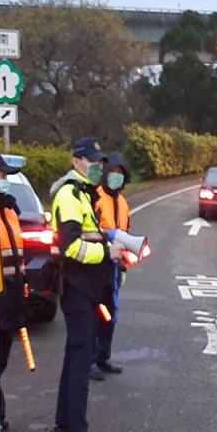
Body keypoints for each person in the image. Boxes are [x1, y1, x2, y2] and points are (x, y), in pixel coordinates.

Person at [49, 137, 122, 432]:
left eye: (100, 162)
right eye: (92, 161)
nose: (98, 167)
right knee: (80, 362)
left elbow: (88, 236)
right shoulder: (69, 195)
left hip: (84, 288)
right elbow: (70, 247)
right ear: (76, 161)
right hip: (77, 287)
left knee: (74, 357)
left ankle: (64, 428)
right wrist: (107, 251)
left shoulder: (82, 195)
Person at [0, 152, 28, 432]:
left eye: (5, 176)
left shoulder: (9, 210)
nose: (3, 181)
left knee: (0, 362)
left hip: (11, 302)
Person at [90, 153, 131, 380]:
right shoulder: (95, 197)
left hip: (115, 266)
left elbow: (126, 232)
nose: (116, 178)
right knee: (95, 313)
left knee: (111, 313)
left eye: (120, 174)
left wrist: (124, 265)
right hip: (96, 263)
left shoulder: (123, 201)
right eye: (113, 173)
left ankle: (103, 357)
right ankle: (89, 360)